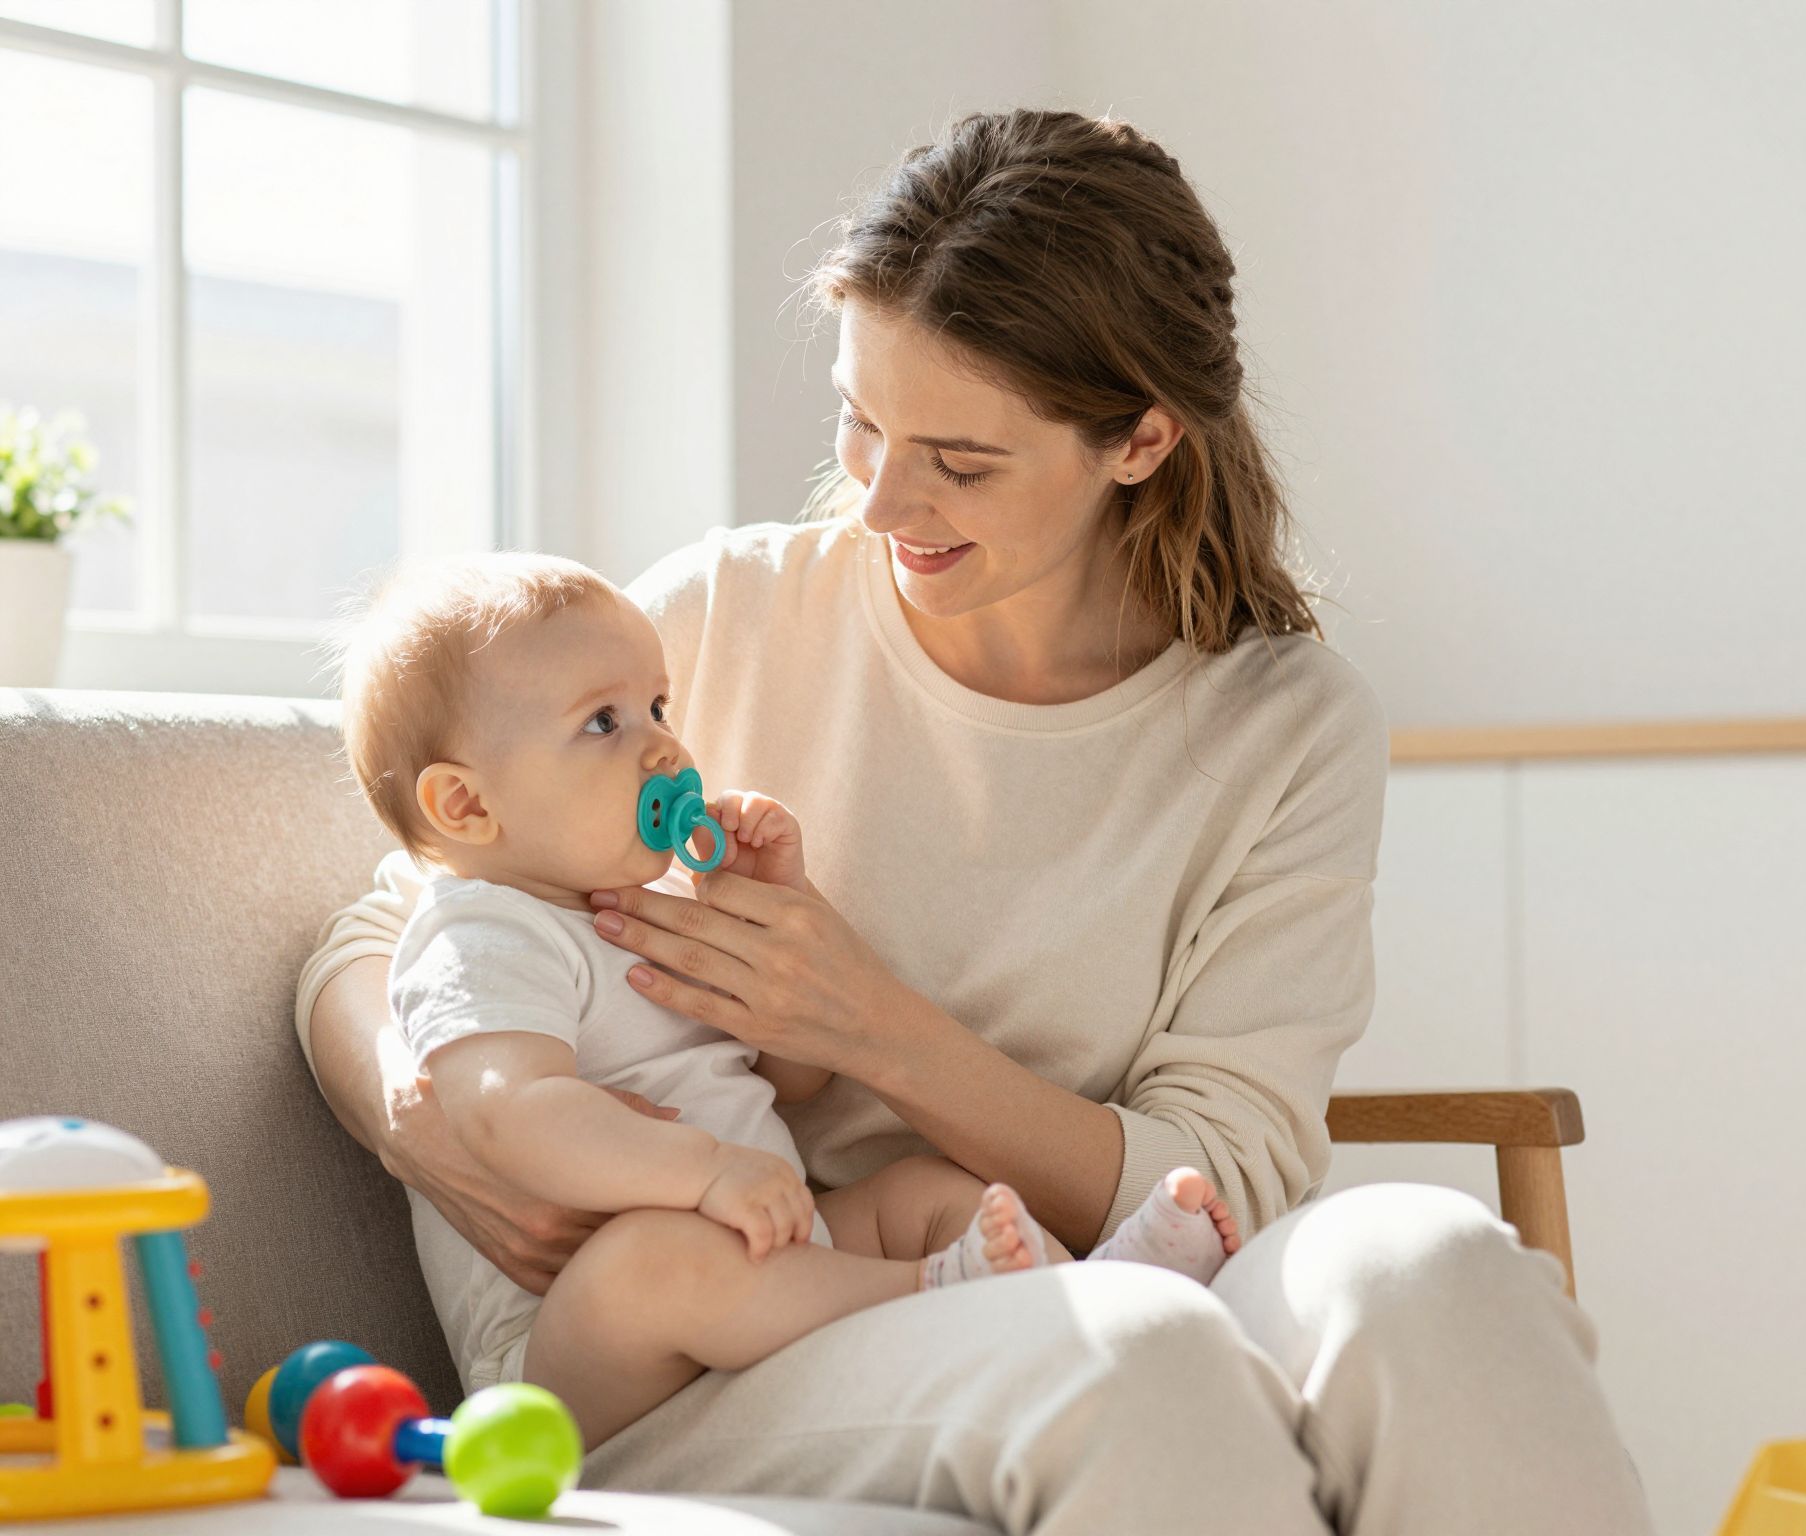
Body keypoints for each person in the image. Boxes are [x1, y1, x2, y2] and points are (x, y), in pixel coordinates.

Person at [298, 108, 1653, 1535]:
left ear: (1138, 441)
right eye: (861, 421)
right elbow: (402, 916)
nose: (883, 499)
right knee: (1129, 1353)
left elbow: (1228, 1166)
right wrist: (433, 1119)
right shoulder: (730, 612)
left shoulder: (1284, 730)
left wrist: (867, 1027)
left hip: (1092, 1252)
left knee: (1434, 1265)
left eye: (960, 458)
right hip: (747, 1320)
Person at [330, 551, 1242, 1446]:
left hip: (769, 1248)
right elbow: (508, 1114)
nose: (663, 744)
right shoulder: (484, 933)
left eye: (656, 706)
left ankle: (1093, 1288)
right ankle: (938, 1290)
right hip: (573, 1356)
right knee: (651, 1264)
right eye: (602, 724)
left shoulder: (652, 909)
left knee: (926, 1191)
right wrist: (704, 1173)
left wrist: (777, 908)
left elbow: (790, 1081)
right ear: (463, 806)